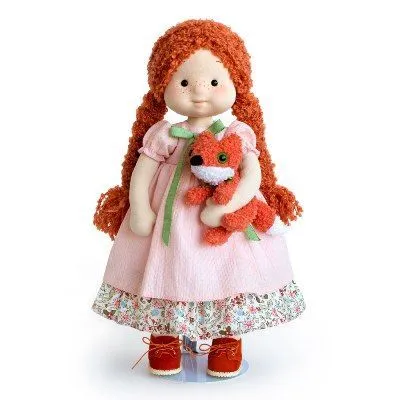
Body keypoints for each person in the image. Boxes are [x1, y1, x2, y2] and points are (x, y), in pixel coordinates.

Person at [92, 19, 305, 378]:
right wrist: (140, 207)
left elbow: (253, 174)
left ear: (236, 82)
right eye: (184, 83)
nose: (200, 93)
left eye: (214, 82)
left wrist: (232, 204)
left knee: (231, 272)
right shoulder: (165, 133)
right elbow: (141, 172)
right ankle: (165, 336)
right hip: (169, 224)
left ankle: (226, 339)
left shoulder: (238, 133)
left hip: (223, 220)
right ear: (163, 85)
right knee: (165, 271)